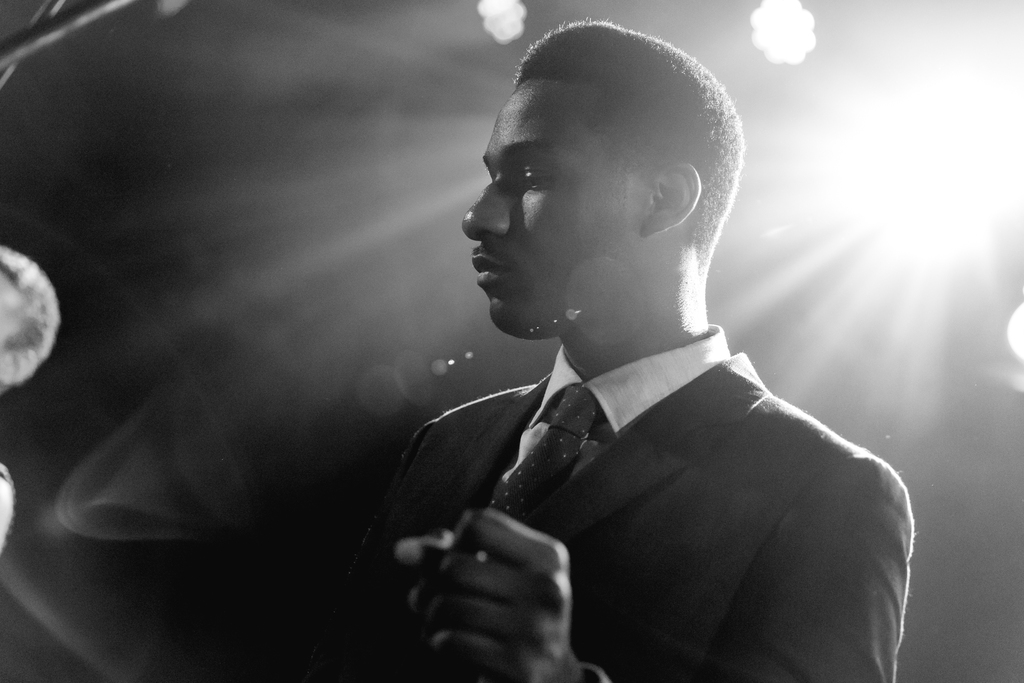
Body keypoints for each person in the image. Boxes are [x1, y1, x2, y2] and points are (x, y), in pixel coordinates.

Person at [304, 20, 914, 683]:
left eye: (531, 175)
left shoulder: (830, 489)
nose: (479, 217)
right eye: (491, 179)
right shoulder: (444, 443)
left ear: (664, 198)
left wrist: (562, 678)